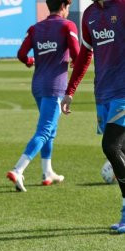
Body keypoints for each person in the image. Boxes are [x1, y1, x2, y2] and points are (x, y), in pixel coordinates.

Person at [61, 0, 125, 231]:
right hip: (104, 94)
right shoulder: (89, 14)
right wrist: (70, 91)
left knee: (110, 146)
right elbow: (85, 55)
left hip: (123, 93)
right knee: (122, 150)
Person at [6, 0, 79, 192]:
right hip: (55, 86)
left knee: (50, 129)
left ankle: (48, 172)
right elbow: (77, 53)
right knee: (45, 130)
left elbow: (21, 54)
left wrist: (31, 60)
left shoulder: (35, 28)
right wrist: (74, 61)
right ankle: (18, 169)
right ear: (63, 6)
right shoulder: (67, 25)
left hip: (37, 85)